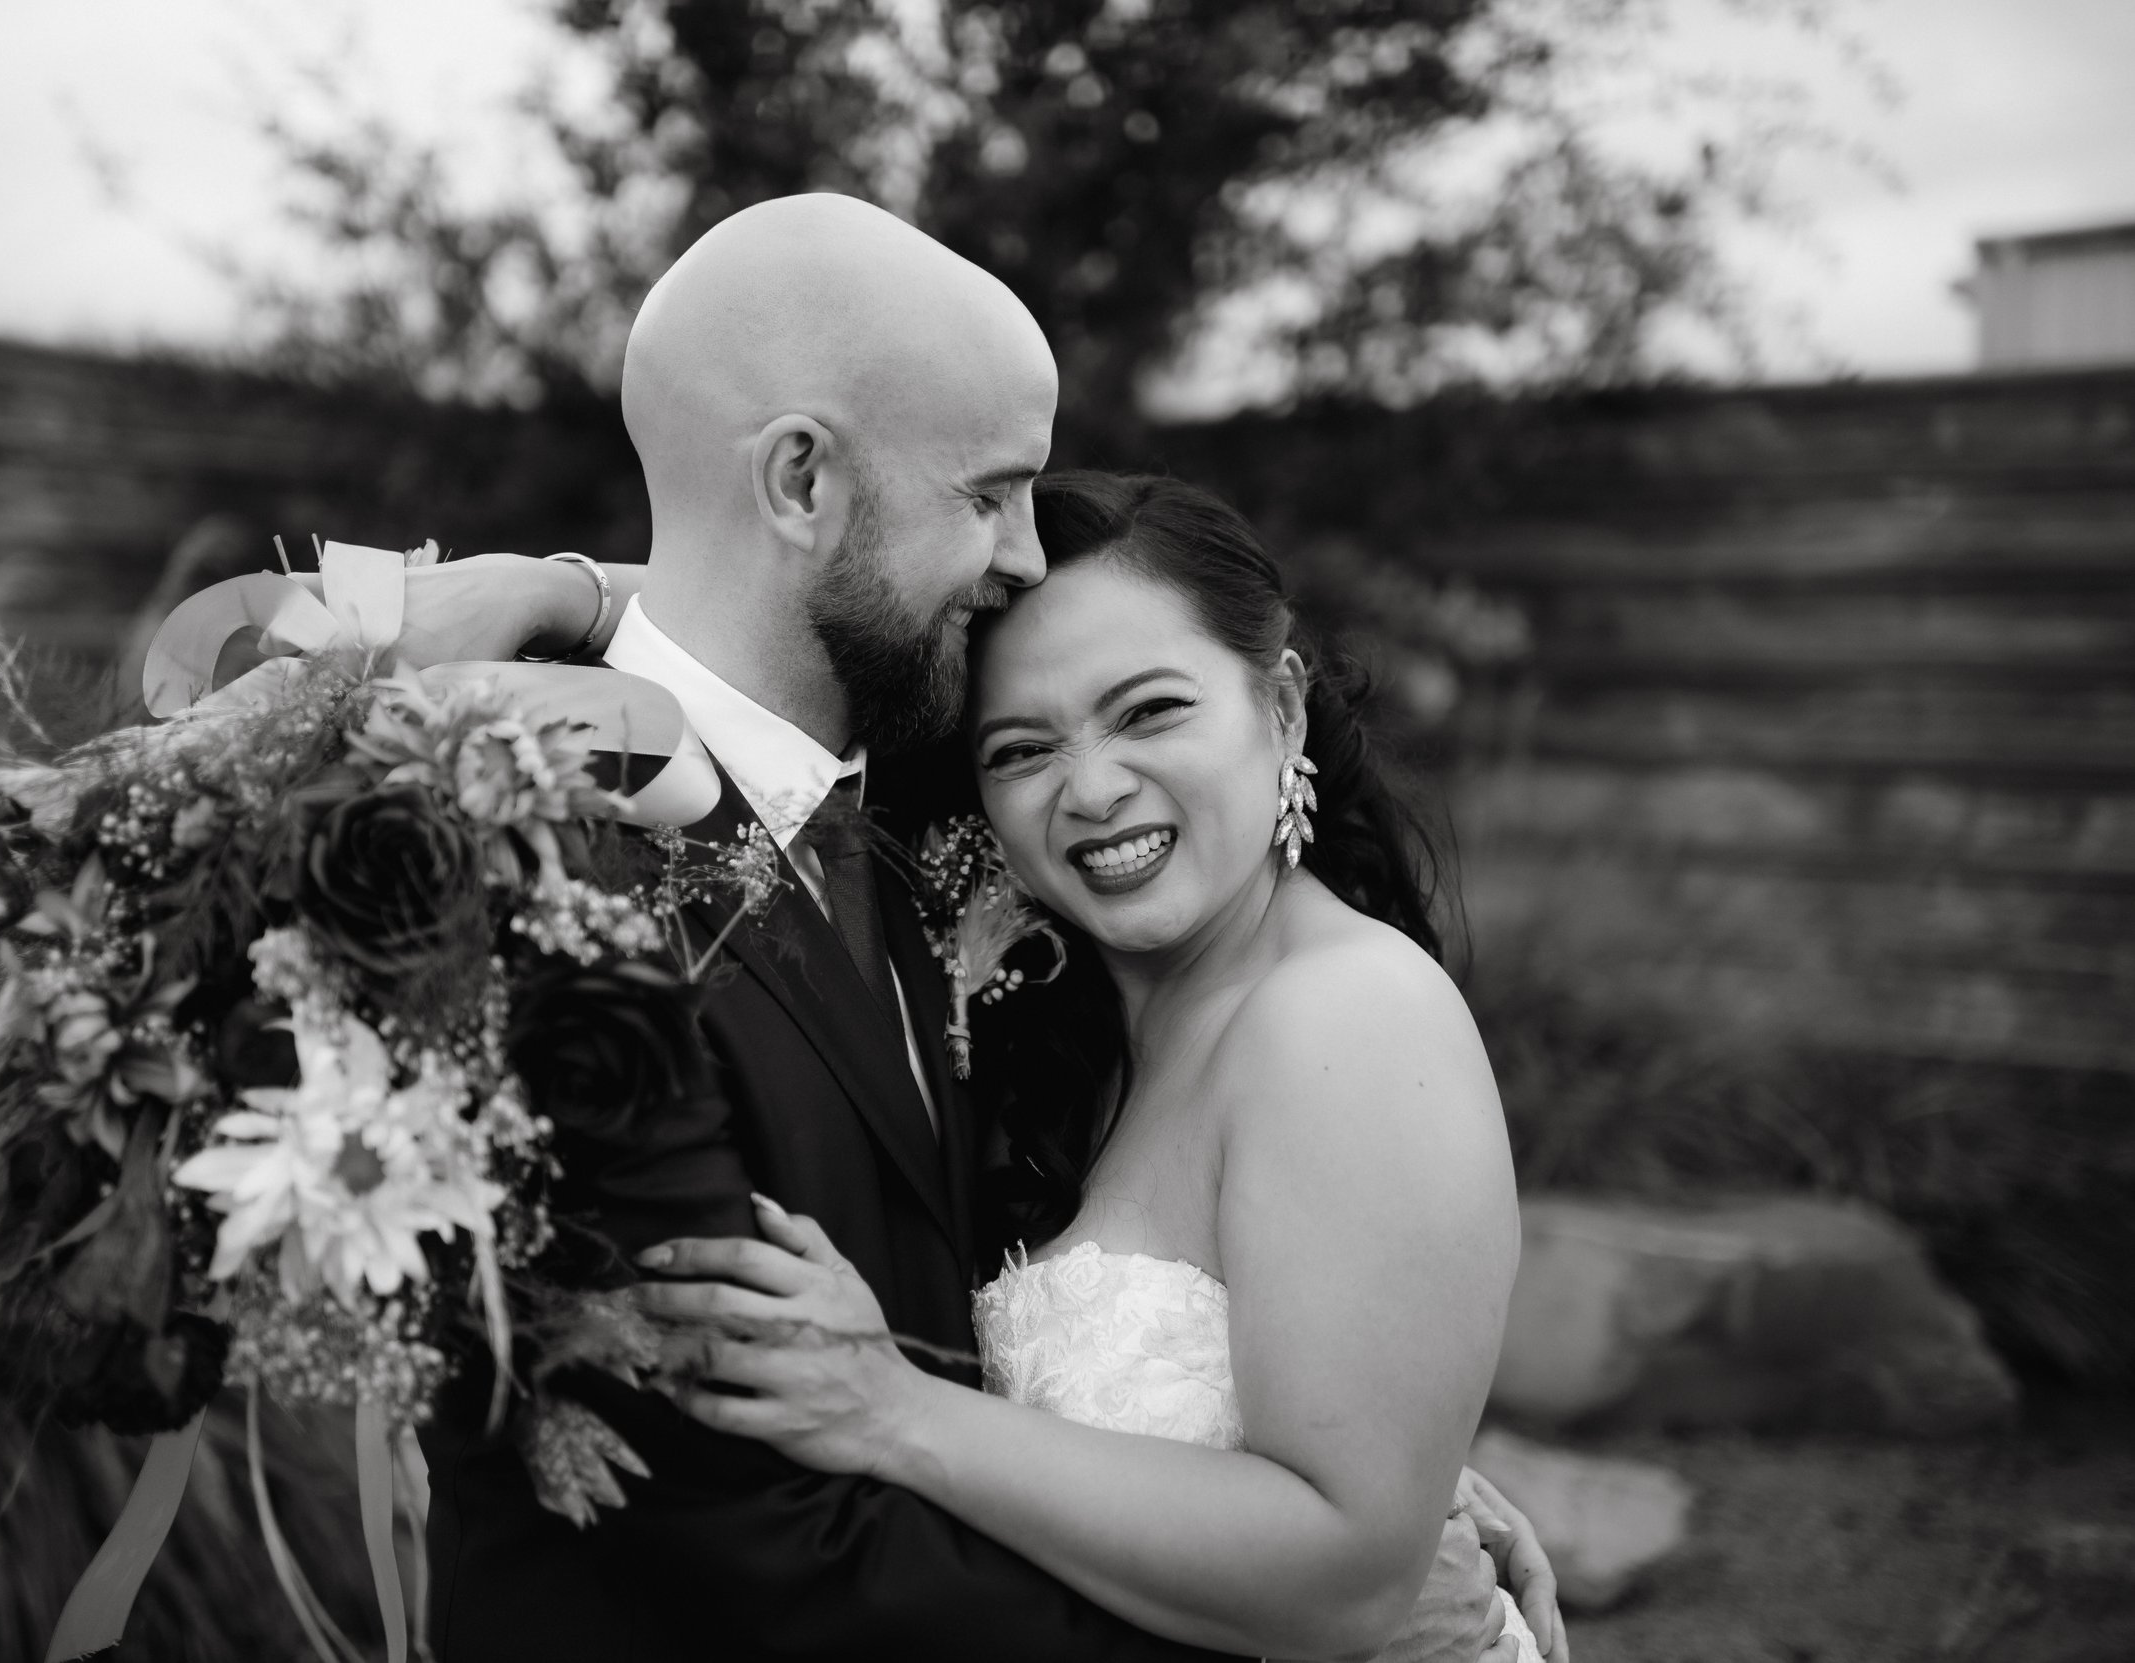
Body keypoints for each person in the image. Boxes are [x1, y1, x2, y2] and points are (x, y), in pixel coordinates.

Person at [303, 192, 1562, 1662]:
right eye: (988, 495)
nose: (1019, 556)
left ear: (1281, 711)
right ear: (800, 480)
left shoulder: (908, 817)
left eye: (1151, 712)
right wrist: (1331, 1601)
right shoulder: (548, 880)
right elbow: (760, 1548)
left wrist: (1362, 1493)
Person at [629, 470, 1553, 1662]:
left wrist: (893, 1410)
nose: (1095, 788)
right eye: (1023, 748)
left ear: (1279, 707)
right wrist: (560, 595)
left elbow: (1344, 1577)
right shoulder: (1063, 1019)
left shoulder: (1347, 1016)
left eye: (1149, 712)